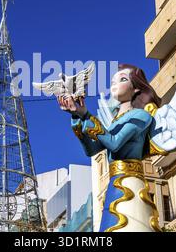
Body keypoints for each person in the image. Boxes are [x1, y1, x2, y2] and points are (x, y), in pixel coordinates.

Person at [57, 64, 165, 232]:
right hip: (114, 182)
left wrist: (85, 114)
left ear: (136, 88)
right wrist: (76, 116)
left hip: (131, 181)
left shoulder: (141, 115)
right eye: (113, 80)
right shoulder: (114, 122)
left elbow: (114, 143)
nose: (115, 83)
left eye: (122, 80)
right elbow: (91, 150)